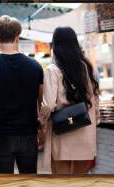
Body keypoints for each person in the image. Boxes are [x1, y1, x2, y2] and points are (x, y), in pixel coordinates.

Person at [39, 26, 100, 175]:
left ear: (55, 45)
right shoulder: (86, 67)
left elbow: (48, 105)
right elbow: (95, 100)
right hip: (85, 132)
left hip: (63, 132)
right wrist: (96, 119)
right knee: (80, 182)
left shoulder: (52, 70)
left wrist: (41, 122)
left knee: (62, 183)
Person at [0, 15, 43, 174]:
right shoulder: (35, 67)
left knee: (1, 186)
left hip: (1, 136)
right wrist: (42, 130)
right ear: (17, 37)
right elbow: (41, 105)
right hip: (28, 135)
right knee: (28, 184)